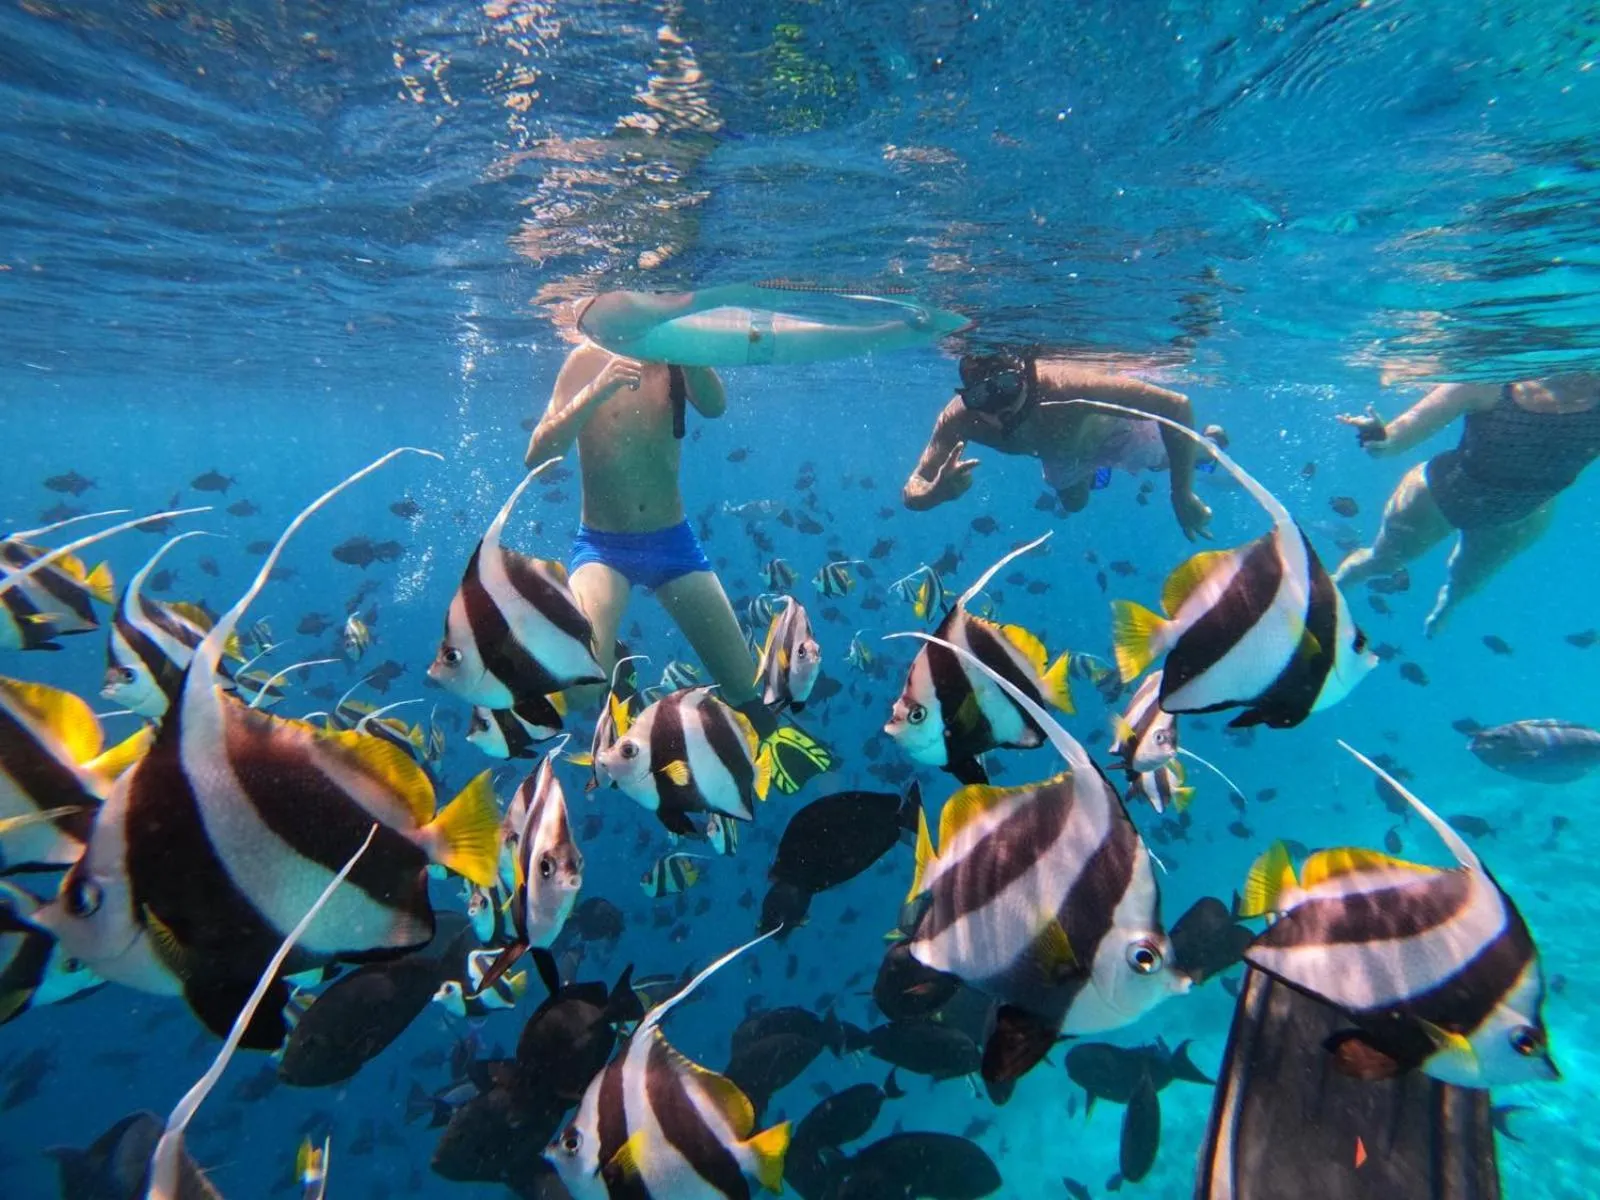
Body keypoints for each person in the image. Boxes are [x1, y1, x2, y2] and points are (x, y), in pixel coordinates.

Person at [523, 334, 782, 735]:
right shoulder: (586, 359)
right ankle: (614, 659)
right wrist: (595, 391)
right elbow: (537, 455)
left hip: (673, 544)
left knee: (744, 687)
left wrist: (687, 349)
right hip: (603, 548)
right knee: (579, 693)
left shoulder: (679, 356)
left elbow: (715, 407)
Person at [1334, 374, 1600, 635]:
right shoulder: (1488, 381)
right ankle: (1333, 588)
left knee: (1468, 581)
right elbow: (1392, 443)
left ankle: (1447, 604)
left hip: (1522, 514)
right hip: (1439, 497)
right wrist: (1377, 437)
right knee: (1382, 562)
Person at [900, 350, 1214, 539]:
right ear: (967, 396)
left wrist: (1181, 493)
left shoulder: (1067, 389)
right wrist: (934, 493)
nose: (998, 409)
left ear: (1026, 376)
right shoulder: (961, 418)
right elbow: (914, 487)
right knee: (1075, 504)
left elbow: (1175, 406)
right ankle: (1095, 472)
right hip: (1062, 453)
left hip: (1117, 435)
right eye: (981, 396)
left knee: (1169, 460)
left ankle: (1212, 441)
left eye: (1007, 387)